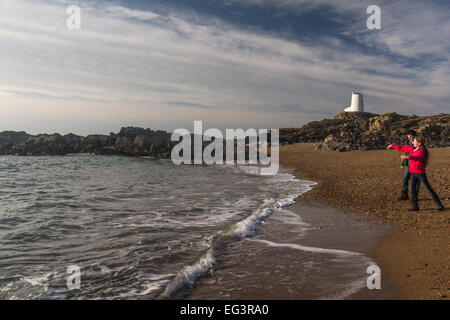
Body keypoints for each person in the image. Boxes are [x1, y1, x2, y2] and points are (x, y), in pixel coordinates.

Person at [387, 137, 444, 211]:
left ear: (419, 143)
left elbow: (417, 157)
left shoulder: (422, 150)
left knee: (428, 189)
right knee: (412, 190)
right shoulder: (413, 149)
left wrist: (407, 157)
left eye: (414, 141)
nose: (413, 142)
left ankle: (439, 205)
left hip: (420, 174)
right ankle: (415, 206)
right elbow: (403, 148)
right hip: (413, 172)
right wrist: (393, 146)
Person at [398, 130, 420, 200]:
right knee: (405, 179)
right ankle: (404, 195)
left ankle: (415, 196)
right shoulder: (408, 143)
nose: (409, 138)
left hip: (417, 165)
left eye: (410, 137)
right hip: (409, 164)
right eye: (408, 137)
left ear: (414, 136)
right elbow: (406, 153)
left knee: (416, 180)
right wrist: (403, 163)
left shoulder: (419, 143)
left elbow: (421, 154)